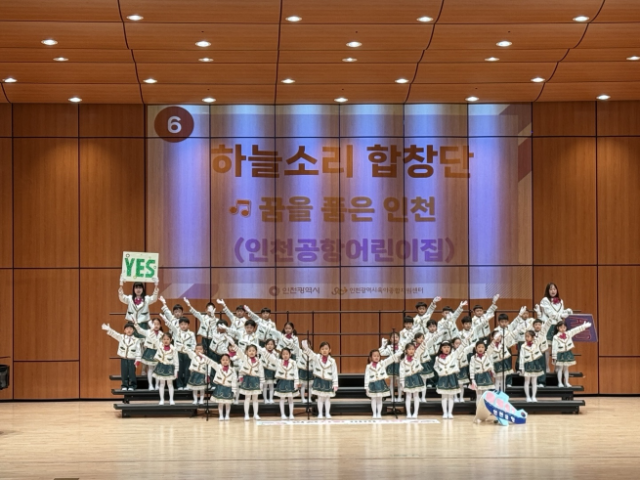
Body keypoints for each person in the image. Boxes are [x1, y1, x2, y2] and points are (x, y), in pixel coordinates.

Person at [540, 283, 573, 373]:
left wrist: (567, 312)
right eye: (551, 289)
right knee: (547, 347)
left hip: (558, 326)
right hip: (548, 326)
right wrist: (562, 315)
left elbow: (561, 312)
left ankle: (556, 367)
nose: (553, 291)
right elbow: (550, 313)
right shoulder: (545, 300)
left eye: (554, 289)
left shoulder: (560, 301)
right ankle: (546, 367)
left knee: (558, 347)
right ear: (548, 291)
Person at [301, 340, 339, 419]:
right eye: (322, 349)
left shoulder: (332, 361)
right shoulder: (317, 357)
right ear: (320, 350)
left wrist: (335, 383)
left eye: (326, 349)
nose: (324, 350)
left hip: (328, 381)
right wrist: (306, 348)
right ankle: (320, 414)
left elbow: (334, 372)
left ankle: (327, 413)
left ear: (330, 350)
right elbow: (311, 354)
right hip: (319, 381)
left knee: (327, 398)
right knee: (320, 398)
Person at [160, 310, 196, 391]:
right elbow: (170, 325)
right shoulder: (176, 331)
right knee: (179, 369)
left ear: (188, 325)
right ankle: (179, 384)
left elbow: (194, 344)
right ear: (179, 325)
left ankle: (186, 384)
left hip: (187, 354)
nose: (183, 326)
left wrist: (192, 352)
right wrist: (164, 319)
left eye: (185, 324)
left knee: (187, 370)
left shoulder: (191, 334)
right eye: (181, 324)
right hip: (178, 353)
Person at [434, 339, 470, 419]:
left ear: (451, 348)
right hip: (443, 378)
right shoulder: (437, 358)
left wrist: (467, 338)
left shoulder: (453, 355)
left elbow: (461, 348)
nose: (446, 349)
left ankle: (450, 412)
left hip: (452, 377)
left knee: (450, 396)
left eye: (448, 347)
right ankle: (445, 412)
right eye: (444, 347)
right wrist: (440, 372)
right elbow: (435, 367)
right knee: (444, 396)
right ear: (441, 349)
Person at [101, 322, 141, 391]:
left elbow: (138, 350)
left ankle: (132, 385)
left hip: (132, 359)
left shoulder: (136, 340)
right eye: (127, 329)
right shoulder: (121, 337)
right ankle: (124, 385)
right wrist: (109, 329)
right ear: (124, 330)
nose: (129, 330)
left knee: (132, 373)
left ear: (133, 330)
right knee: (124, 373)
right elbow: (115, 334)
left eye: (130, 329)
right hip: (123, 358)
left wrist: (138, 359)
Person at [552, 320, 592, 387]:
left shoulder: (568, 333)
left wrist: (584, 326)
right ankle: (560, 383)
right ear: (557, 328)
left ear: (566, 328)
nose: (563, 329)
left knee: (566, 368)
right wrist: (554, 356)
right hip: (560, 353)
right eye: (561, 327)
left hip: (567, 353)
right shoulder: (555, 337)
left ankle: (566, 382)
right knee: (560, 368)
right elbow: (554, 347)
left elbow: (576, 330)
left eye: (564, 327)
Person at [264, 347, 300, 419]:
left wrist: (296, 382)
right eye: (283, 354)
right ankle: (282, 414)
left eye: (287, 354)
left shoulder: (293, 362)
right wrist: (264, 352)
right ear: (281, 355)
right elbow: (271, 358)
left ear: (290, 354)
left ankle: (291, 414)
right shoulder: (279, 361)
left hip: (290, 382)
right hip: (282, 382)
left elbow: (296, 372)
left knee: (291, 398)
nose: (285, 355)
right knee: (282, 398)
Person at [364, 348, 401, 418]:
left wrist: (398, 353)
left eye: (378, 356)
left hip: (380, 384)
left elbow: (390, 359)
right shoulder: (368, 366)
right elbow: (366, 377)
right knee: (373, 399)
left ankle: (379, 414)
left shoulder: (382, 363)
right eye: (374, 356)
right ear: (371, 357)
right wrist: (366, 387)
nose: (376, 357)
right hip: (372, 384)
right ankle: (374, 414)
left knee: (380, 399)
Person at [233, 341, 265, 421]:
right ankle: (246, 414)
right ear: (246, 352)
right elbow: (239, 351)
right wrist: (234, 345)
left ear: (256, 352)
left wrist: (262, 382)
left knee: (255, 399)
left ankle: (255, 414)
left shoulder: (259, 361)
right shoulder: (245, 358)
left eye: (253, 350)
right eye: (250, 351)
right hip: (247, 379)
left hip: (255, 380)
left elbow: (261, 371)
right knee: (247, 398)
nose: (251, 352)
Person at [202, 351, 238, 421]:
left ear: (229, 361)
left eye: (227, 360)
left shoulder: (232, 370)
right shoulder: (218, 367)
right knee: (220, 403)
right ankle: (221, 415)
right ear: (220, 361)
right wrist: (203, 356)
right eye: (223, 360)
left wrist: (234, 390)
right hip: (220, 387)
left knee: (228, 403)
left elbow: (234, 380)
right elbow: (211, 362)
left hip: (228, 388)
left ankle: (227, 415)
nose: (225, 361)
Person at [132, 316, 164, 390]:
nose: (156, 326)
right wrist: (136, 324)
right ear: (151, 324)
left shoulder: (162, 334)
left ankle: (157, 385)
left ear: (160, 325)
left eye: (158, 324)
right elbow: (140, 330)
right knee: (150, 368)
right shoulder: (148, 332)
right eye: (154, 324)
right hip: (150, 351)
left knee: (157, 369)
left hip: (158, 352)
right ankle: (150, 385)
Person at [151, 332, 180, 405]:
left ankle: (171, 399)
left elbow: (176, 360)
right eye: (164, 339)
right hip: (161, 366)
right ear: (162, 340)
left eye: (167, 339)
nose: (166, 341)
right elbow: (154, 340)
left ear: (171, 340)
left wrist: (176, 370)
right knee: (162, 384)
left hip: (169, 367)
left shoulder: (174, 349)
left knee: (170, 384)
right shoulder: (159, 346)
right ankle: (162, 400)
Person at [519, 330, 547, 402]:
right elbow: (521, 357)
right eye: (525, 336)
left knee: (534, 381)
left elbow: (541, 335)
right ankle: (528, 397)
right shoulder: (523, 346)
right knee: (527, 381)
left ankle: (534, 396)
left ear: (533, 337)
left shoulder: (536, 344)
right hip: (527, 364)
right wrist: (521, 367)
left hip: (535, 364)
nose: (526, 338)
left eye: (528, 336)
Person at [379, 332, 403, 401]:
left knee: (399, 383)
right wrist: (383, 346)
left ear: (399, 338)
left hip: (400, 365)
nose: (395, 339)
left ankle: (399, 397)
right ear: (390, 339)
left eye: (396, 337)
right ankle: (392, 398)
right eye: (393, 337)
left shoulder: (402, 346)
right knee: (392, 382)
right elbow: (382, 353)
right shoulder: (389, 347)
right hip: (391, 365)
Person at [260, 339, 278, 404]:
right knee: (265, 386)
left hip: (272, 371)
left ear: (274, 346)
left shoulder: (275, 354)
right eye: (268, 344)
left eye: (271, 344)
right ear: (265, 345)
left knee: (271, 386)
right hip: (264, 371)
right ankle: (265, 399)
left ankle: (271, 399)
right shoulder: (262, 352)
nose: (270, 346)